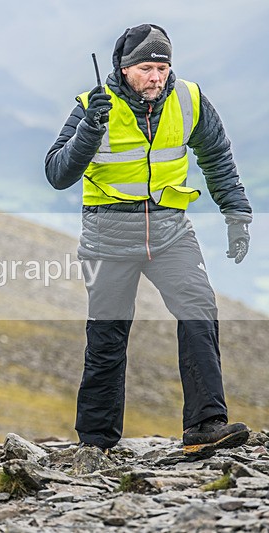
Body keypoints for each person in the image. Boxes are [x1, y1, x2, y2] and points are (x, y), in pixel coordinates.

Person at [45, 24, 252, 456]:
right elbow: (57, 173)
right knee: (108, 336)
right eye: (146, 67)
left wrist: (236, 214)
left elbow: (217, 156)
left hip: (170, 231)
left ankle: (204, 426)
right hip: (107, 235)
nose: (156, 76)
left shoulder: (189, 99)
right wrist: (89, 130)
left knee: (199, 311)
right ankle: (96, 444)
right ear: (123, 69)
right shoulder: (91, 106)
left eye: (162, 66)